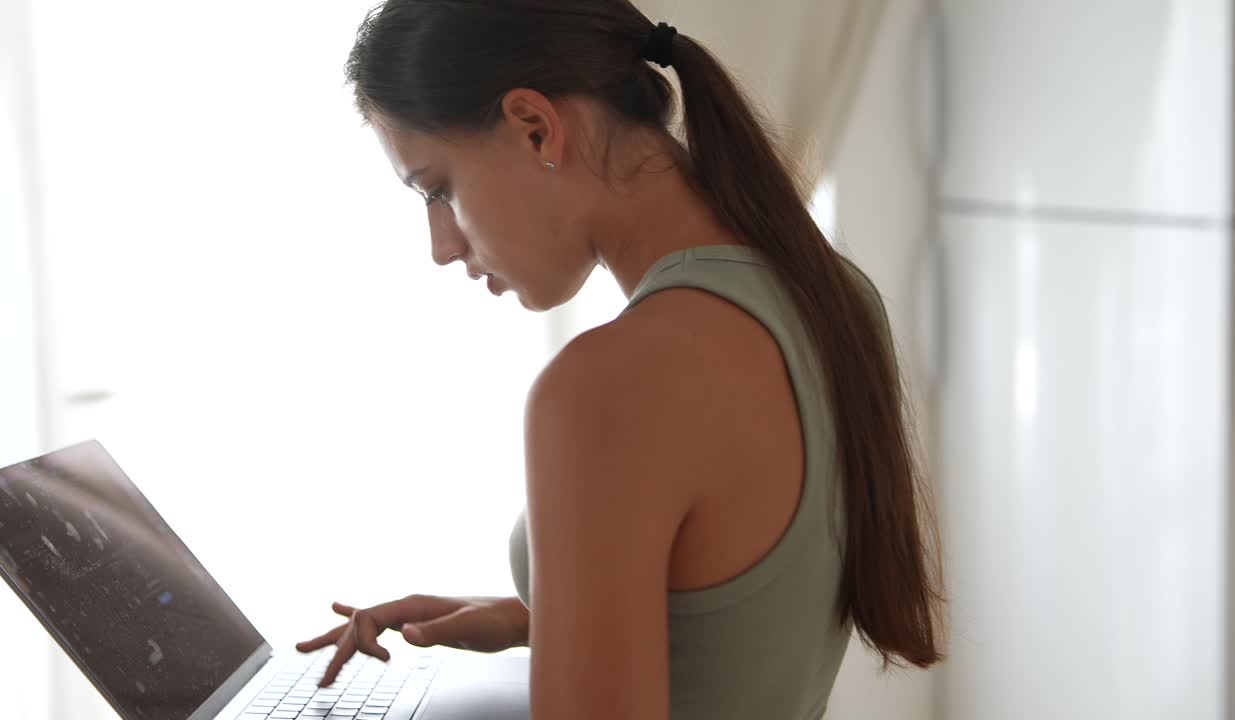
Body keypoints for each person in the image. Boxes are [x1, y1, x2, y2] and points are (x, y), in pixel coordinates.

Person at [297, 1, 946, 717]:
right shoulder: (836, 295)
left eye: (438, 189)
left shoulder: (607, 385)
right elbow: (748, 618)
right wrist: (528, 616)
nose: (442, 246)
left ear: (535, 126)